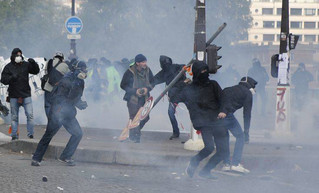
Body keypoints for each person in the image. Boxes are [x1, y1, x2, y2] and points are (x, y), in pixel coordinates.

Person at [176, 61, 228, 179]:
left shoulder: (213, 84)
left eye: (206, 70)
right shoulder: (190, 89)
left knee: (223, 151)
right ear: (196, 73)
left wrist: (223, 111)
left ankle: (205, 171)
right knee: (209, 147)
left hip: (217, 120)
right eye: (201, 71)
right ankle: (194, 162)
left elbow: (223, 99)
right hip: (204, 122)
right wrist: (182, 84)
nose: (204, 73)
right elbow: (174, 97)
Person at [31, 61, 88, 166]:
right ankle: (36, 158)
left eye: (86, 69)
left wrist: (80, 104)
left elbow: (75, 97)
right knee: (48, 135)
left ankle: (65, 156)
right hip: (58, 113)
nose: (85, 71)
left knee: (78, 133)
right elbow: (58, 98)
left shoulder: (81, 82)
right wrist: (58, 112)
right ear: (77, 69)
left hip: (68, 113)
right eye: (83, 69)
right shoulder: (66, 81)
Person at [218, 76, 257, 174]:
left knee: (224, 137)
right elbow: (247, 114)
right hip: (227, 114)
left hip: (217, 115)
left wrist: (221, 111)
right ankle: (235, 164)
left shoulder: (228, 89)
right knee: (241, 137)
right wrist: (246, 132)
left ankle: (226, 164)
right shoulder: (247, 93)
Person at [0, 48, 40, 140]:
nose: (19, 57)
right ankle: (14, 135)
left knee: (30, 115)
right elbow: (3, 80)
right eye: (17, 55)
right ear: (13, 56)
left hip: (26, 94)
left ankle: (30, 134)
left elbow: (35, 71)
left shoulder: (26, 65)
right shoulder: (8, 67)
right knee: (14, 117)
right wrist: (11, 78)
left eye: (20, 55)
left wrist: (33, 63)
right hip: (14, 95)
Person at [120, 54, 154, 143]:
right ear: (137, 63)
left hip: (145, 98)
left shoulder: (148, 70)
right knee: (134, 118)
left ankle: (133, 133)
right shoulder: (129, 72)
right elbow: (123, 85)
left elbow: (153, 82)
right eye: (143, 62)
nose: (145, 64)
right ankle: (135, 136)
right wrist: (135, 91)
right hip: (133, 99)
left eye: (145, 61)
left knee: (145, 117)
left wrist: (147, 89)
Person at [153, 55, 186, 140]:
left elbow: (186, 66)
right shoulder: (163, 73)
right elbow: (153, 80)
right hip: (174, 95)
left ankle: (199, 131)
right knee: (170, 112)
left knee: (194, 110)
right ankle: (176, 132)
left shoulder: (177, 67)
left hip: (184, 92)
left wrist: (183, 69)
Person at [43, 52, 70, 119]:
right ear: (62, 58)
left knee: (47, 106)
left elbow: (46, 73)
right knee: (56, 106)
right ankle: (55, 121)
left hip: (48, 87)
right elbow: (68, 76)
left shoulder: (49, 62)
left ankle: (49, 121)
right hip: (58, 90)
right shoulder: (65, 65)